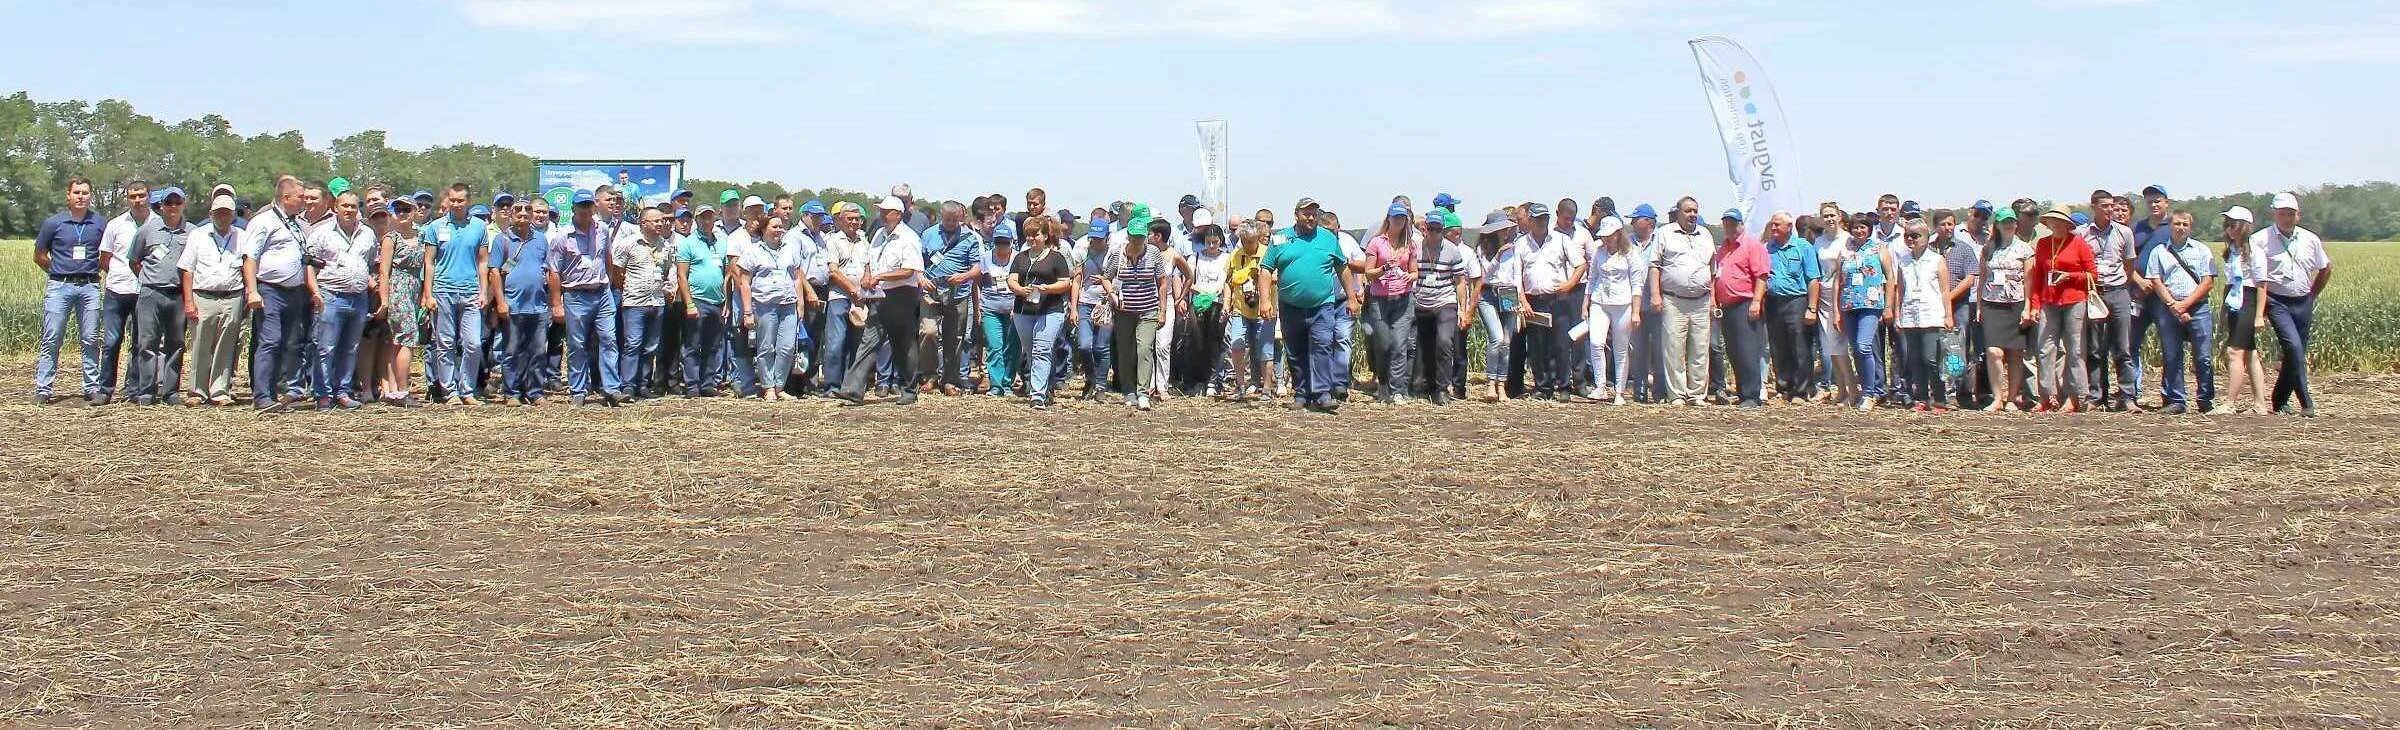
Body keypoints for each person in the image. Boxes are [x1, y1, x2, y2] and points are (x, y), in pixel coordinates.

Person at [1260, 197, 1356, 413]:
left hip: (1322, 305)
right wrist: (1265, 301)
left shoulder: (1327, 238)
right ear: (1296, 215)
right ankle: (1302, 393)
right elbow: (1266, 269)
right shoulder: (1281, 238)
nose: (1311, 217)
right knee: (1295, 350)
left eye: (1314, 213)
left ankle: (1322, 394)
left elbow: (1343, 268)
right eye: (1306, 213)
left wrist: (1352, 297)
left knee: (1322, 346)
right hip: (1290, 305)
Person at [834, 196, 928, 406]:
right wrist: (868, 274)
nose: (882, 215)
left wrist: (880, 276)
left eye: (887, 212)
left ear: (899, 214)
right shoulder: (878, 234)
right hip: (879, 295)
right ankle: (853, 389)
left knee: (903, 344)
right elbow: (870, 259)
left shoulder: (908, 238)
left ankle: (909, 390)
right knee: (869, 341)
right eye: (881, 211)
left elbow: (909, 270)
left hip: (902, 295)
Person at [2254, 192, 2333, 417]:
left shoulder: (2310, 239)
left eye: (2290, 214)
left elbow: (2325, 267)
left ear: (2298, 215)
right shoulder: (2261, 239)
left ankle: (2279, 400)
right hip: (2277, 301)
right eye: (2282, 214)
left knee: (2295, 353)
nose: (2286, 218)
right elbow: (2259, 278)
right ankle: (2306, 402)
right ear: (2274, 215)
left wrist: (2312, 295)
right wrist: (2261, 311)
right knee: (2294, 348)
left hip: (2303, 301)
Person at [32, 176, 109, 405]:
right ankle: (43, 389)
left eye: (85, 192)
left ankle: (92, 387)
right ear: (68, 195)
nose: (81, 197)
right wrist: (57, 271)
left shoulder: (100, 223)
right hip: (60, 286)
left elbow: (106, 253)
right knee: (52, 337)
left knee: (90, 338)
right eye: (76, 192)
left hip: (90, 285)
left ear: (90, 195)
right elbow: (39, 255)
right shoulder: (53, 223)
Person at [547, 190, 627, 406]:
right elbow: (553, 271)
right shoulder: (562, 237)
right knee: (577, 344)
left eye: (588, 206)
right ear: (573, 209)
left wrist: (609, 284)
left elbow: (607, 257)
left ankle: (611, 388)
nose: (585, 211)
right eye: (581, 206)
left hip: (601, 293)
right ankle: (578, 390)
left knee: (609, 339)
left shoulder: (602, 230)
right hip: (576, 295)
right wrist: (556, 304)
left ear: (593, 207)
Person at [242, 176, 314, 412]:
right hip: (270, 290)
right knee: (270, 341)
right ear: (286, 197)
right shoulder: (263, 221)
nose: (304, 201)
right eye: (301, 197)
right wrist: (252, 291)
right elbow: (250, 258)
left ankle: (274, 394)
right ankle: (262, 396)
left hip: (295, 292)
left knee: (287, 343)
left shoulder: (296, 223)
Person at [304, 192, 379, 410]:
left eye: (353, 207)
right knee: (326, 347)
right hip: (331, 295)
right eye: (345, 206)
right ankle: (323, 395)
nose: (349, 210)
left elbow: (370, 262)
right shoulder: (321, 233)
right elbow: (309, 265)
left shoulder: (367, 234)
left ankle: (343, 392)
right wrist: (315, 291)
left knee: (350, 348)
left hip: (358, 298)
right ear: (336, 207)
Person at [422, 183, 492, 405]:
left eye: (460, 200)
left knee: (473, 343)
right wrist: (428, 294)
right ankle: (449, 391)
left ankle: (467, 390)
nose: (456, 204)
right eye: (452, 200)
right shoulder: (435, 227)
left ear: (468, 201)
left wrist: (483, 291)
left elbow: (483, 262)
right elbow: (429, 262)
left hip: (470, 291)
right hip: (443, 290)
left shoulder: (479, 227)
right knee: (445, 342)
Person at [121, 187, 190, 406]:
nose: (172, 206)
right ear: (161, 206)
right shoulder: (148, 229)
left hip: (177, 294)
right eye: (168, 202)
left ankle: (171, 392)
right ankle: (146, 392)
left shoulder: (193, 232)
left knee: (176, 344)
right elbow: (134, 259)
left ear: (183, 204)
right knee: (147, 343)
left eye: (177, 202)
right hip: (151, 292)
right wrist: (146, 278)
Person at [2145, 210, 2218, 415]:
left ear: (2190, 227)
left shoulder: (2202, 250)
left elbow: (2208, 281)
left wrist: (2185, 304)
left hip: (2198, 307)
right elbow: (2156, 280)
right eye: (2177, 223)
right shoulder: (2159, 251)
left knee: (2203, 356)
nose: (2181, 228)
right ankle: (2177, 400)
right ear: (2170, 225)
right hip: (2168, 309)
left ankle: (2205, 400)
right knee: (2172, 356)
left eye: (2185, 224)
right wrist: (2172, 304)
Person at [179, 193, 249, 406]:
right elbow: (187, 270)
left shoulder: (242, 236)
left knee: (226, 346)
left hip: (232, 296)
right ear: (211, 214)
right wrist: (189, 302)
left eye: (227, 213)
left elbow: (247, 265)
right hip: (203, 296)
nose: (223, 217)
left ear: (233, 215)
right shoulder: (198, 235)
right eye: (219, 213)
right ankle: (197, 392)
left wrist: (248, 294)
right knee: (201, 345)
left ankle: (219, 391)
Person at [2026, 205, 2096, 413]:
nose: (2056, 225)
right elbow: (2038, 277)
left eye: (2060, 222)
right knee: (2044, 347)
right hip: (2049, 301)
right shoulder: (2044, 244)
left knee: (2075, 348)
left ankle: (2075, 397)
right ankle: (2047, 396)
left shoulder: (2079, 244)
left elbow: (2092, 274)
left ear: (2067, 225)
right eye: (2052, 222)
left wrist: (2070, 276)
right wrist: (2035, 305)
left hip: (2075, 300)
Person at [2080, 190, 2145, 411]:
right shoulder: (2082, 234)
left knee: (2123, 347)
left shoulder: (2124, 233)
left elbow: (2129, 265)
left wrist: (2121, 285)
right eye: (2105, 206)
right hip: (2094, 293)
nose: (2110, 210)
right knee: (2095, 347)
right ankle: (2097, 396)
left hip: (2118, 291)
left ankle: (2127, 396)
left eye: (2112, 206)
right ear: (2094, 207)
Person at [734, 216, 810, 402]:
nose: (779, 230)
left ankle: (779, 387)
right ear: (764, 229)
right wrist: (747, 312)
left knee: (787, 347)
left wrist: (800, 303)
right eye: (774, 227)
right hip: (764, 305)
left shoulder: (790, 250)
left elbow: (796, 277)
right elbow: (744, 283)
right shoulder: (753, 251)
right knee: (766, 347)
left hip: (788, 304)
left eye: (781, 227)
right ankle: (768, 387)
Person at [1515, 203, 1584, 401]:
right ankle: (1542, 387)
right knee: (1537, 345)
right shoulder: (1521, 244)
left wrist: (1569, 284)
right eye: (1537, 219)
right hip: (1533, 301)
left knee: (1561, 344)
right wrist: (1523, 302)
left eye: (1544, 218)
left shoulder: (1561, 240)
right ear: (1530, 220)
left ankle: (1563, 386)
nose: (1541, 222)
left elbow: (1580, 264)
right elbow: (1516, 278)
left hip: (1558, 299)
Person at [1650, 197, 1715, 407]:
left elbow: (1713, 270)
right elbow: (1654, 266)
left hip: (1701, 301)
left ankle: (1697, 395)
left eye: (1695, 210)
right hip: (1673, 300)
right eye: (1688, 211)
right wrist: (1655, 295)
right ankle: (1677, 395)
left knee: (1700, 349)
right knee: (1673, 349)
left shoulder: (1705, 234)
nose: (1692, 214)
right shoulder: (1664, 233)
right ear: (1678, 213)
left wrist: (1713, 298)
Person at [94, 179, 155, 404]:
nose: (137, 200)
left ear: (149, 196)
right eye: (132, 196)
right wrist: (120, 274)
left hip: (145, 292)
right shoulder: (116, 225)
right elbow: (104, 258)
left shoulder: (158, 224)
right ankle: (105, 389)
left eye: (141, 195)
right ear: (127, 199)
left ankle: (135, 389)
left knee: (141, 343)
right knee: (111, 342)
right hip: (117, 291)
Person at [1007, 215, 1075, 409]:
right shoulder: (1020, 257)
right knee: (1030, 351)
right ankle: (1045, 387)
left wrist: (1047, 288)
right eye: (1028, 235)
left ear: (1045, 236)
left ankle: (1037, 395)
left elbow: (1065, 283)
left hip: (1050, 311)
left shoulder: (1056, 258)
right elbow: (1012, 279)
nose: (1031, 239)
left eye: (1035, 235)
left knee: (1041, 350)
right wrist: (1019, 290)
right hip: (1023, 311)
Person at [1412, 211, 1479, 406]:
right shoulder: (1415, 248)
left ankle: (1442, 389)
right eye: (1430, 229)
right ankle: (1425, 386)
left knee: (1444, 341)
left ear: (1443, 230)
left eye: (1438, 229)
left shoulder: (1452, 250)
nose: (1434, 233)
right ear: (1425, 229)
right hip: (1421, 301)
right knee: (1423, 345)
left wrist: (1462, 309)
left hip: (1445, 300)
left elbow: (1459, 282)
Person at [1104, 218, 1172, 411]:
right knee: (1125, 352)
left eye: (1141, 237)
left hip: (1148, 309)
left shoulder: (1154, 254)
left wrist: (1162, 310)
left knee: (1144, 349)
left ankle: (1143, 392)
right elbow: (1106, 278)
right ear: (1128, 236)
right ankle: (1129, 391)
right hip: (1123, 311)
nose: (1137, 240)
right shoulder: (1118, 255)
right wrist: (1112, 294)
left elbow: (1162, 283)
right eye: (1134, 237)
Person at [490, 197, 552, 405]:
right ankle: (512, 392)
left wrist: (553, 302)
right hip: (513, 305)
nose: (523, 213)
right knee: (512, 350)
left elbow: (548, 270)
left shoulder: (541, 240)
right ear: (511, 213)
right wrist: (500, 302)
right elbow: (495, 273)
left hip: (538, 306)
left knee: (537, 352)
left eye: (528, 209)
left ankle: (535, 392)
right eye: (518, 209)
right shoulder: (502, 240)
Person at [920, 201, 984, 396]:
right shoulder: (928, 234)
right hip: (931, 292)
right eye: (947, 219)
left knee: (955, 337)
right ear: (941, 216)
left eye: (954, 220)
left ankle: (950, 379)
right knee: (928, 332)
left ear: (961, 218)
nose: (950, 223)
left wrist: (963, 277)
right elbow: (917, 263)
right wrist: (921, 279)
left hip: (959, 293)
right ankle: (930, 375)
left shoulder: (970, 238)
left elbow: (977, 268)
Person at [1836, 212, 1897, 411]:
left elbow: (1890, 279)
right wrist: (1837, 311)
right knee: (1856, 350)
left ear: (1869, 229)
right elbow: (1839, 280)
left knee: (1864, 347)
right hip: (1849, 305)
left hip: (1871, 304)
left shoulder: (1880, 249)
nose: (1859, 230)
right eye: (1855, 227)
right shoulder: (1845, 250)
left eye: (1863, 227)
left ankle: (1870, 393)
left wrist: (1888, 306)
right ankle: (1864, 390)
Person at [612, 207, 674, 400]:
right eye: (655, 221)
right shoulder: (628, 244)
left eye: (662, 220)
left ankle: (643, 385)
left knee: (651, 346)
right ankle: (628, 385)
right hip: (634, 302)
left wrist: (669, 287)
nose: (660, 224)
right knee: (633, 344)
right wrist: (626, 290)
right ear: (643, 223)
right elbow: (616, 271)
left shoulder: (666, 246)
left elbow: (669, 268)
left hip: (657, 302)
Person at [1760, 211, 1820, 404]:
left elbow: (1813, 279)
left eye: (1778, 224)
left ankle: (1801, 391)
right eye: (1772, 224)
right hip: (1773, 302)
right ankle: (1783, 387)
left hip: (1797, 301)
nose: (1774, 228)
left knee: (1799, 346)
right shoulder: (1767, 248)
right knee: (1779, 346)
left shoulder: (1803, 247)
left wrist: (1811, 308)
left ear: (1789, 227)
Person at [1893, 220, 1953, 413]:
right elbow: (1900, 291)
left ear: (1926, 238)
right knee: (1915, 359)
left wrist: (1948, 315)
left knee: (1931, 359)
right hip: (1910, 315)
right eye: (1907, 236)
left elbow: (1945, 291)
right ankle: (1921, 399)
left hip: (1932, 315)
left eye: (1915, 235)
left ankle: (1940, 398)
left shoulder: (1937, 260)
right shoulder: (1903, 262)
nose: (1910, 239)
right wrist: (1897, 315)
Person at [1711, 209, 1769, 409]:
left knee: (1747, 350)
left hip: (1745, 303)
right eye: (1726, 223)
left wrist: (1756, 302)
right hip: (1727, 307)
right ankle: (1743, 392)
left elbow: (1761, 276)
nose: (1729, 226)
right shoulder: (1723, 249)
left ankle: (1752, 395)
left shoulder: (1752, 245)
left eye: (1733, 223)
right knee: (1734, 351)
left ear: (1741, 224)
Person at [1362, 203, 1420, 403]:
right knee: (1384, 343)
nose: (1398, 221)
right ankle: (1383, 385)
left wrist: (1410, 277)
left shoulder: (1410, 245)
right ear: (1388, 219)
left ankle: (1397, 390)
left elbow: (1415, 272)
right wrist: (1383, 268)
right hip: (1380, 299)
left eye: (1402, 218)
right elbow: (1368, 273)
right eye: (1395, 218)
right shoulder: (1376, 243)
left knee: (1399, 344)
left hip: (1403, 299)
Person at [2216, 207, 2271, 415]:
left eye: (2234, 224)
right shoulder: (2231, 250)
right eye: (2227, 224)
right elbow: (2229, 283)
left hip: (2248, 300)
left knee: (2234, 352)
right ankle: (2260, 404)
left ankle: (2230, 402)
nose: (2230, 228)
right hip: (2234, 300)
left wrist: (2259, 315)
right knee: (2250, 354)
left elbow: (2261, 285)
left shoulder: (2254, 250)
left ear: (2244, 227)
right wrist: (2223, 311)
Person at [377, 198, 429, 406]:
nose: (402, 213)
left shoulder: (422, 236)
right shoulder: (391, 238)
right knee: (407, 339)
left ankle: (395, 391)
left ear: (415, 211)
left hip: (414, 288)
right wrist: (385, 299)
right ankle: (401, 390)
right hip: (398, 290)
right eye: (398, 209)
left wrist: (425, 294)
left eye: (406, 209)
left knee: (399, 341)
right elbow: (384, 271)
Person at [812, 203, 867, 396]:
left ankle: (850, 386)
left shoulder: (864, 241)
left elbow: (869, 267)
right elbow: (832, 271)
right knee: (836, 342)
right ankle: (832, 387)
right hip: (839, 297)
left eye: (856, 218)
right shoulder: (833, 241)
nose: (853, 222)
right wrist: (852, 289)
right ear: (840, 220)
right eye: (849, 218)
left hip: (861, 299)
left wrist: (863, 289)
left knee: (856, 343)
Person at [1584, 215, 1639, 404]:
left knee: (1621, 348)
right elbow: (1591, 279)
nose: (1606, 239)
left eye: (1610, 236)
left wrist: (1636, 312)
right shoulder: (1599, 252)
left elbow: (1637, 284)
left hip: (1623, 304)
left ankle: (1619, 391)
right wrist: (1586, 303)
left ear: (1618, 234)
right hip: (1600, 301)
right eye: (1604, 236)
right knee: (1596, 343)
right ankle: (1600, 387)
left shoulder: (1630, 253)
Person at [1224, 220, 1279, 402]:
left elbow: (1278, 276)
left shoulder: (1268, 254)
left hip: (1264, 310)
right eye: (1244, 240)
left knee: (1265, 349)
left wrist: (1263, 277)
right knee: (1237, 345)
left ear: (1257, 238)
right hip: (1241, 309)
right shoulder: (1235, 255)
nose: (1247, 245)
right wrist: (1226, 304)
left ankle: (1267, 388)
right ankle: (1240, 385)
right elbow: (1228, 282)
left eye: (1251, 241)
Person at [1476, 211, 1525, 401]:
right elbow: (1485, 275)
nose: (1505, 232)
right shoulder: (1483, 248)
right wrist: (1498, 256)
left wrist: (1519, 299)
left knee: (1506, 341)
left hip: (1509, 292)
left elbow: (1517, 275)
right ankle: (1490, 383)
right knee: (1496, 338)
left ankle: (1501, 385)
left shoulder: (1515, 248)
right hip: (1488, 293)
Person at [1941, 209, 1985, 410]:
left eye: (1950, 224)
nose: (1947, 228)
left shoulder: (1964, 248)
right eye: (1943, 224)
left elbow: (1970, 278)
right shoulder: (1930, 248)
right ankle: (1941, 390)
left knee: (1957, 348)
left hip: (1960, 303)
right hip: (1932, 306)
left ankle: (1959, 392)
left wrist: (1948, 298)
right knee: (1938, 349)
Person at [1185, 218, 1233, 399]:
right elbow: (1189, 281)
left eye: (1215, 242)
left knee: (1216, 343)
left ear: (1221, 241)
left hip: (1218, 303)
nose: (1212, 245)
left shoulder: (1227, 258)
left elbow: (1227, 281)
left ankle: (1214, 380)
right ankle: (1198, 380)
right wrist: (1202, 292)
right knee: (1197, 342)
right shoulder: (1195, 257)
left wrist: (1219, 297)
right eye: (1208, 242)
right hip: (1198, 303)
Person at [974, 220, 1022, 396]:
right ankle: (996, 385)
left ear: (1011, 242)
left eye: (1005, 242)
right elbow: (977, 283)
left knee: (1012, 347)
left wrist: (1017, 306)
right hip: (990, 308)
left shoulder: (1018, 258)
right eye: (998, 242)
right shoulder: (985, 258)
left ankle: (1007, 383)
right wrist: (978, 307)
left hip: (1013, 309)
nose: (1001, 246)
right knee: (995, 346)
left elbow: (1022, 285)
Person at [1075, 219, 1117, 402]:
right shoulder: (1082, 252)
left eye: (1100, 239)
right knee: (1084, 345)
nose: (1096, 242)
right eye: (1093, 238)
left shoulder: (1115, 254)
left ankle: (1100, 386)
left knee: (1102, 347)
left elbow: (1119, 279)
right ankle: (1090, 377)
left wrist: (1107, 283)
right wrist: (1073, 307)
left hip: (1105, 305)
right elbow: (1076, 280)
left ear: (1107, 238)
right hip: (1085, 302)